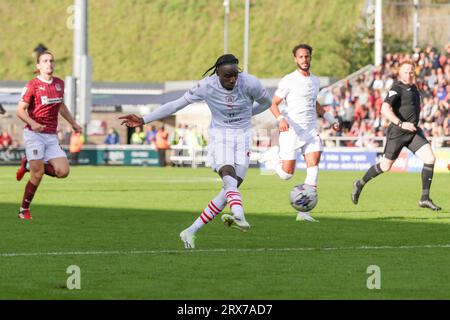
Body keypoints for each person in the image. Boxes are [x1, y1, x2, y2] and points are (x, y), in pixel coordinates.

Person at [119, 54, 272, 249]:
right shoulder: (206, 86)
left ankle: (190, 231)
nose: (232, 80)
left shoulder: (250, 83)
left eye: (235, 75)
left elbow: (267, 103)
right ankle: (239, 214)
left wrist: (248, 113)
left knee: (229, 191)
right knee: (229, 178)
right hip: (220, 136)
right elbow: (175, 105)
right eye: (227, 76)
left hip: (243, 138)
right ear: (217, 73)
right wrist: (144, 119)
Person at [351, 60, 441, 211]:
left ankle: (424, 198)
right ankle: (359, 183)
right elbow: (384, 109)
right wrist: (401, 124)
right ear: (400, 73)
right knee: (385, 166)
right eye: (406, 71)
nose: (409, 74)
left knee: (430, 158)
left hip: (413, 132)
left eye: (411, 71)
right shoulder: (396, 88)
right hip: (398, 132)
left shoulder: (414, 88)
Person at [268, 44, 341, 222]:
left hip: (310, 130)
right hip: (292, 130)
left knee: (313, 167)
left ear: (310, 58)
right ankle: (272, 160)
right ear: (295, 59)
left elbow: (314, 103)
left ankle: (304, 212)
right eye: (301, 57)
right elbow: (273, 103)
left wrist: (331, 119)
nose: (304, 60)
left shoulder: (315, 81)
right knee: (287, 174)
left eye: (307, 56)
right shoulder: (289, 80)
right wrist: (280, 119)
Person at [15, 51, 82, 220]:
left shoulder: (59, 83)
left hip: (51, 136)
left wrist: (73, 123)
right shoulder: (32, 85)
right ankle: (24, 210)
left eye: (51, 60)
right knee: (38, 174)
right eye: (45, 61)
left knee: (63, 171)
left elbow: (61, 106)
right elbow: (19, 110)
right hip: (34, 134)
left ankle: (29, 164)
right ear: (38, 66)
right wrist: (33, 123)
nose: (49, 63)